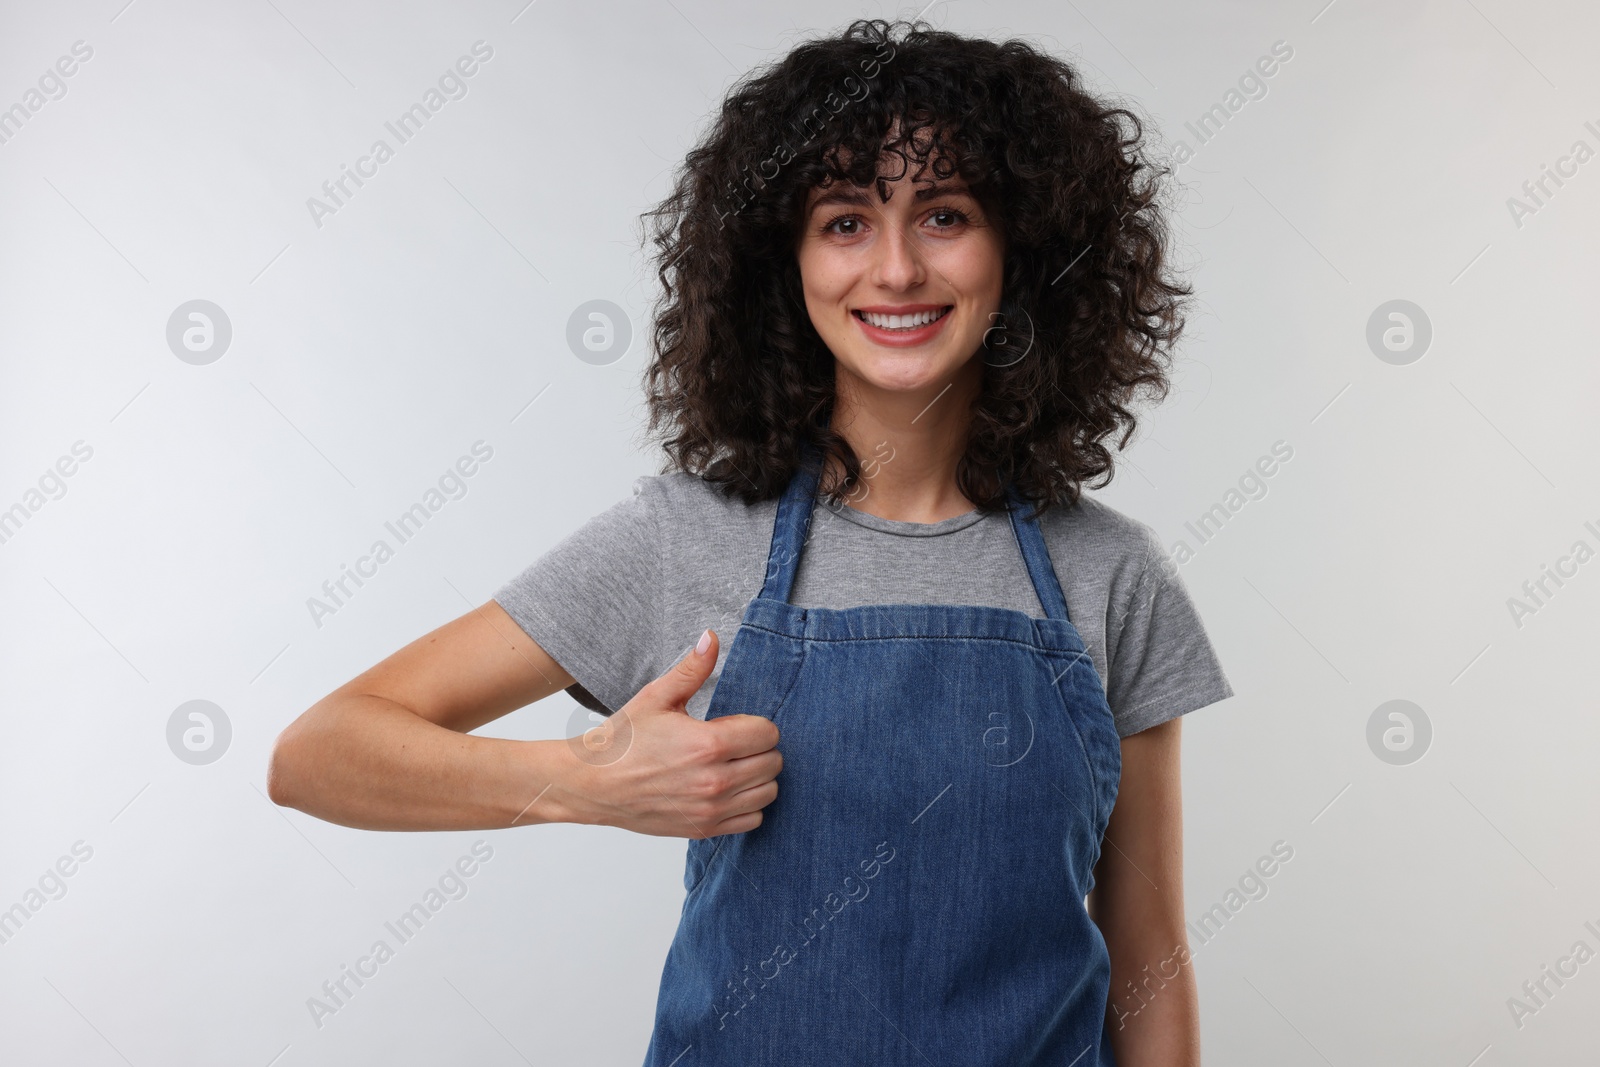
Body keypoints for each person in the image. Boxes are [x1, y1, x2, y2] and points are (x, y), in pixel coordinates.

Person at [269, 18, 1231, 1066]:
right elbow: (317, 753)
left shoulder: (1110, 573)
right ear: (785, 263)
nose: (897, 268)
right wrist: (581, 777)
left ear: (1024, 254)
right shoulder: (684, 540)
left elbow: (1148, 954)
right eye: (845, 222)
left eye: (944, 215)